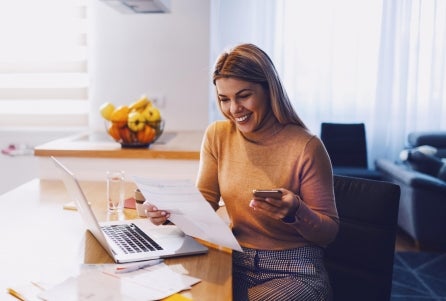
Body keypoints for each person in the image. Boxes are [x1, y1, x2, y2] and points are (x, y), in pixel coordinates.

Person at [144, 43, 339, 301]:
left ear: (269, 90)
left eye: (244, 95)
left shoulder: (306, 146)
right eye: (224, 99)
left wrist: (296, 212)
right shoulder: (218, 135)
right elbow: (203, 202)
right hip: (234, 259)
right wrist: (168, 212)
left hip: (295, 270)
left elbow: (329, 232)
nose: (234, 109)